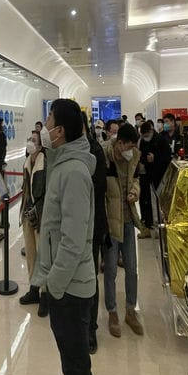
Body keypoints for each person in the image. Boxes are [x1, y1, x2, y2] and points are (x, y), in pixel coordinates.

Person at [31, 99, 96, 375]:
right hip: (64, 285)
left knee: (77, 370)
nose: (44, 127)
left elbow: (73, 240)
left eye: (49, 121)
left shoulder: (74, 173)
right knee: (72, 366)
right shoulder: (61, 165)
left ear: (60, 131)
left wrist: (54, 285)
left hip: (70, 288)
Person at [102, 123, 145, 338]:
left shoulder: (134, 156)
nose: (131, 150)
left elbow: (136, 179)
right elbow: (100, 189)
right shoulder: (105, 156)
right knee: (110, 269)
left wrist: (135, 192)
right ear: (119, 143)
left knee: (132, 267)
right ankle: (112, 312)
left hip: (128, 219)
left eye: (133, 147)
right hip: (111, 221)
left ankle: (130, 310)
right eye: (128, 146)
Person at [82, 112, 107, 355]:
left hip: (91, 225)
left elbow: (97, 191)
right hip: (74, 226)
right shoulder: (66, 151)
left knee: (89, 277)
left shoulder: (94, 152)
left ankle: (91, 329)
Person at [19, 130, 48, 319]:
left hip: (41, 216)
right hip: (27, 214)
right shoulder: (27, 161)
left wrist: (37, 211)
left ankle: (45, 294)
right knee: (31, 254)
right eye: (29, 139)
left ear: (40, 145)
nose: (30, 142)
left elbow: (45, 192)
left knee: (42, 255)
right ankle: (33, 289)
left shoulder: (46, 163)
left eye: (34, 140)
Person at [137, 120, 172, 239]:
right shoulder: (142, 141)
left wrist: (155, 158)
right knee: (145, 202)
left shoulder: (161, 140)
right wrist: (145, 160)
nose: (145, 138)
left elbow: (167, 158)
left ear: (151, 131)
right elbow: (141, 156)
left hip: (159, 176)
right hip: (146, 176)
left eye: (147, 135)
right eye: (144, 136)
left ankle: (161, 228)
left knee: (159, 203)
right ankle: (147, 226)